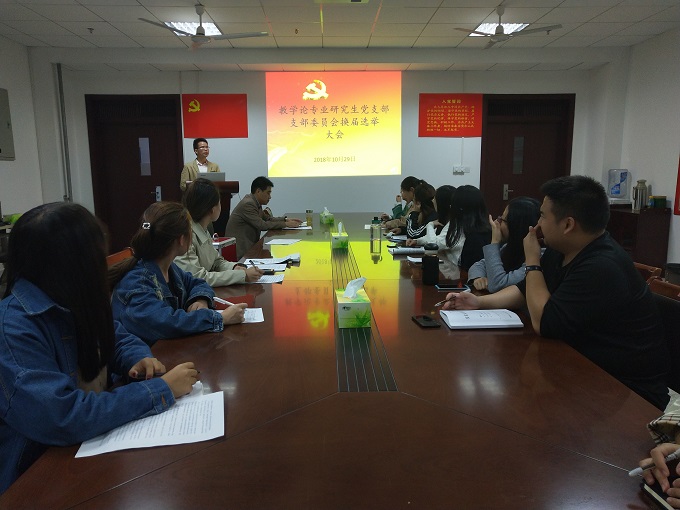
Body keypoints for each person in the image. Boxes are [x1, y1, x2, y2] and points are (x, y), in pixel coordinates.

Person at [0, 202, 198, 494]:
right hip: (38, 476)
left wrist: (137, 357)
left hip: (91, 451)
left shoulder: (71, 296)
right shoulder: (13, 328)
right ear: (73, 263)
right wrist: (160, 389)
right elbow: (61, 417)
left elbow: (115, 336)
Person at [443, 175, 669, 409]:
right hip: (579, 366)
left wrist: (532, 261)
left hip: (626, 393)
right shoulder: (561, 249)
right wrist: (479, 303)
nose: (538, 224)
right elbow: (524, 290)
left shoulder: (602, 266)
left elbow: (545, 323)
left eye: (542, 216)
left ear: (568, 225)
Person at [110, 201, 246, 346]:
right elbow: (166, 322)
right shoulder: (137, 283)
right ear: (182, 239)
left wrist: (200, 299)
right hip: (147, 356)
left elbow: (197, 282)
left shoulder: (170, 268)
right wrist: (221, 318)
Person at [175, 178, 263, 286]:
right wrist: (242, 275)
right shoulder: (184, 236)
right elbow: (198, 278)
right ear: (212, 209)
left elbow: (216, 262)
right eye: (219, 202)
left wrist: (234, 267)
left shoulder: (203, 228)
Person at [406, 185, 491, 281]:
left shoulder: (461, 227)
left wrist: (429, 225)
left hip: (462, 278)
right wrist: (417, 241)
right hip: (463, 275)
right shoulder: (475, 225)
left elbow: (434, 244)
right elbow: (441, 237)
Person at [467, 196, 542, 293]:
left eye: (502, 220)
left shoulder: (538, 256)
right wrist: (478, 277)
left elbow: (498, 285)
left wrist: (494, 242)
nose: (496, 223)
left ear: (516, 226)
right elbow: (478, 265)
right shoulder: (509, 246)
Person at [225, 176, 302, 260]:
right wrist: (285, 224)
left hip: (250, 248)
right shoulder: (248, 204)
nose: (270, 197)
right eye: (268, 193)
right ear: (258, 191)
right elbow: (262, 225)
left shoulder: (255, 202)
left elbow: (268, 219)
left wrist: (285, 220)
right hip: (240, 253)